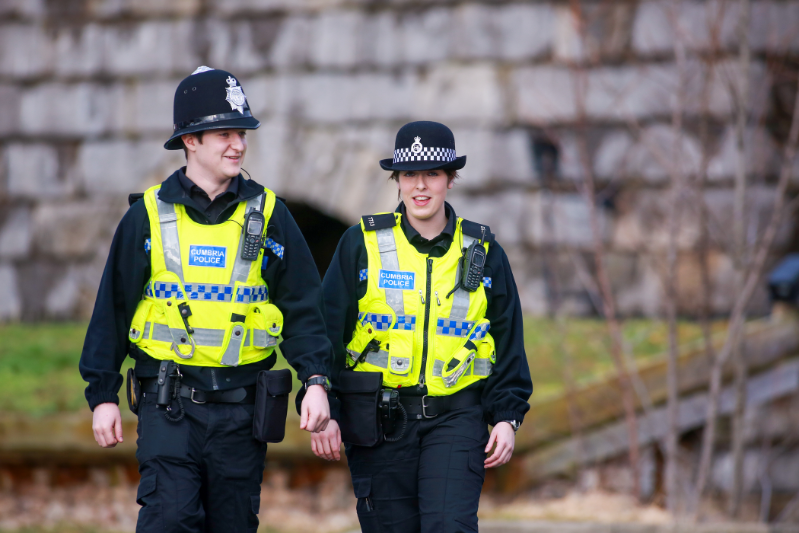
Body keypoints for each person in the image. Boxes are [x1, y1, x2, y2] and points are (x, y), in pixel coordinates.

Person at [79, 66, 333, 532]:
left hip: (242, 413)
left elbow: (303, 308)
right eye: (224, 133)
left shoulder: (271, 215)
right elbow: (111, 309)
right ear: (190, 140)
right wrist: (102, 395)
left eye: (241, 132)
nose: (237, 144)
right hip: (167, 405)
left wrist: (315, 379)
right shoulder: (147, 217)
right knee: (169, 519)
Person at [314, 121, 533, 532]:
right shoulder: (360, 244)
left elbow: (508, 342)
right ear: (396, 180)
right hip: (378, 425)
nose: (420, 186)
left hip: (457, 420)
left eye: (432, 174)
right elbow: (326, 332)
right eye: (409, 174)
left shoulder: (484, 253)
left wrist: (507, 416)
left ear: (451, 180)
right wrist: (322, 400)